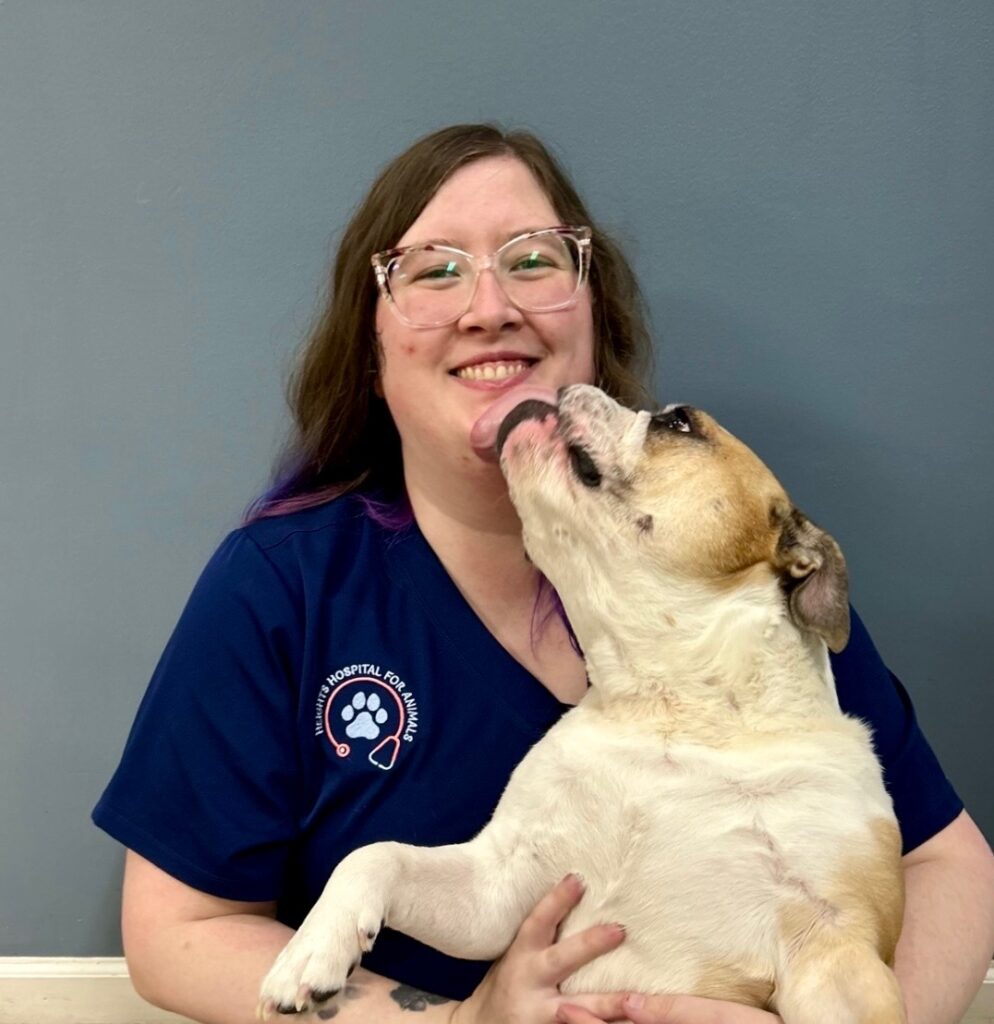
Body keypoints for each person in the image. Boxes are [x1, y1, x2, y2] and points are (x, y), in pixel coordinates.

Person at [93, 124, 994, 1024]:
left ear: (593, 316)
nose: (489, 306)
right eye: (432, 270)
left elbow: (949, 862)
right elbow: (178, 930)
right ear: (369, 354)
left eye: (533, 260)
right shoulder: (282, 584)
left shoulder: (749, 600)